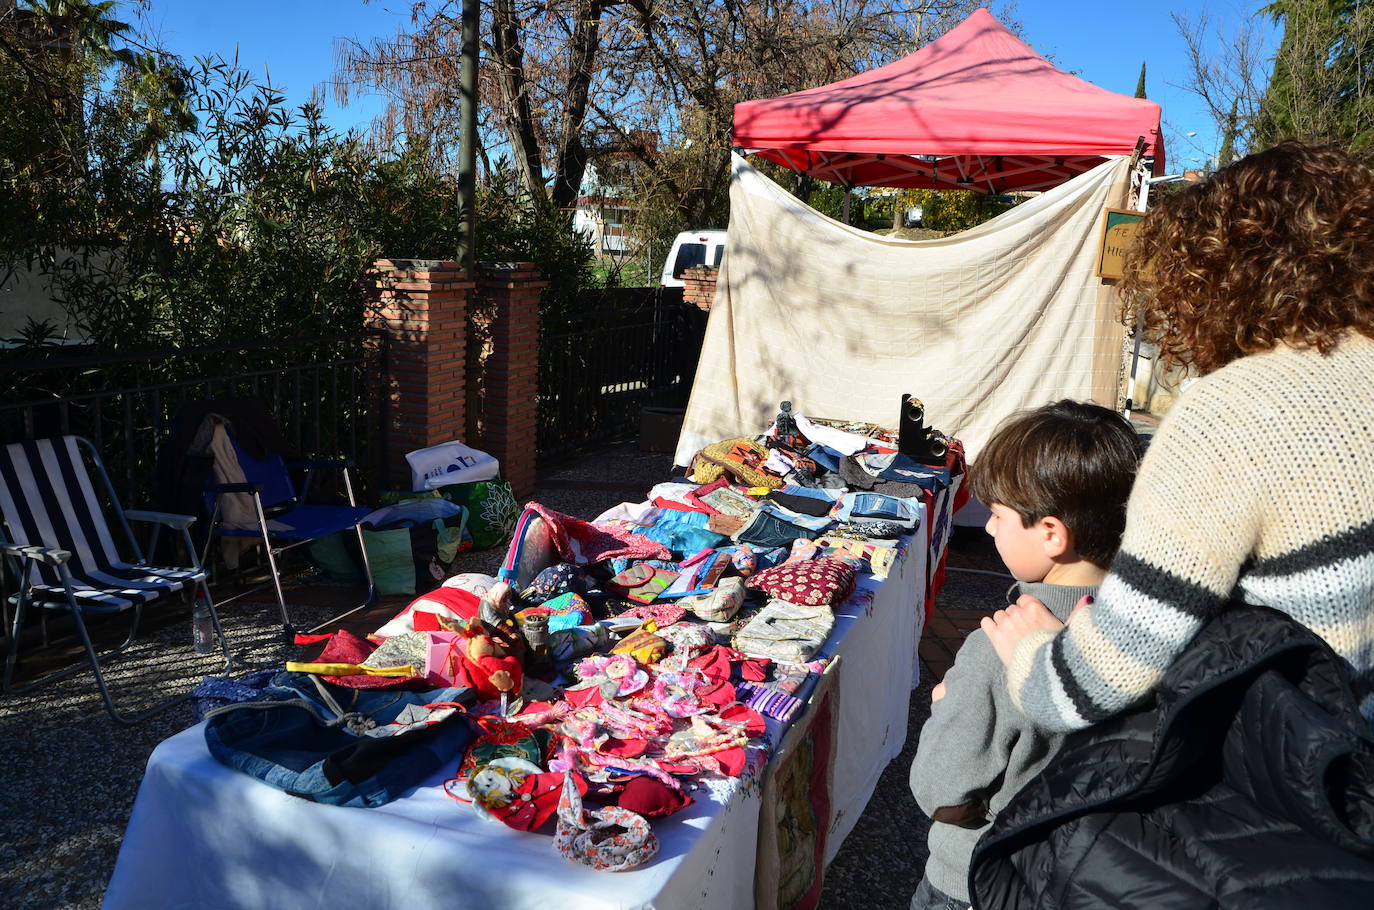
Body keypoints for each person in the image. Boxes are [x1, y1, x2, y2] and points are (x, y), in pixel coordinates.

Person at [980, 140, 1374, 732]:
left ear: (1216, 271)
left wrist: (1032, 654)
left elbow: (1094, 682)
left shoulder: (1238, 412)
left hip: (1305, 778)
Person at [908, 400, 1141, 910]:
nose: (988, 528)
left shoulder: (997, 649)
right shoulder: (1145, 630)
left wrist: (947, 707)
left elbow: (941, 791)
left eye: (997, 515)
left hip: (976, 884)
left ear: (1053, 534)